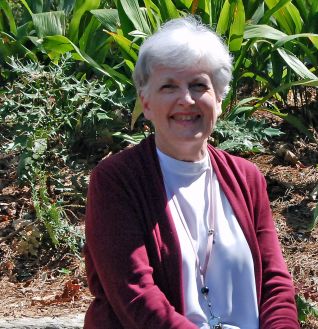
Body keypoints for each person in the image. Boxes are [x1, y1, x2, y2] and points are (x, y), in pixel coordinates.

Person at [83, 17, 299, 329]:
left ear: (220, 99)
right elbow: (135, 296)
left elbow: (275, 284)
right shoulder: (116, 181)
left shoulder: (247, 177)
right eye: (168, 86)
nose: (186, 99)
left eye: (199, 85)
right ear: (145, 102)